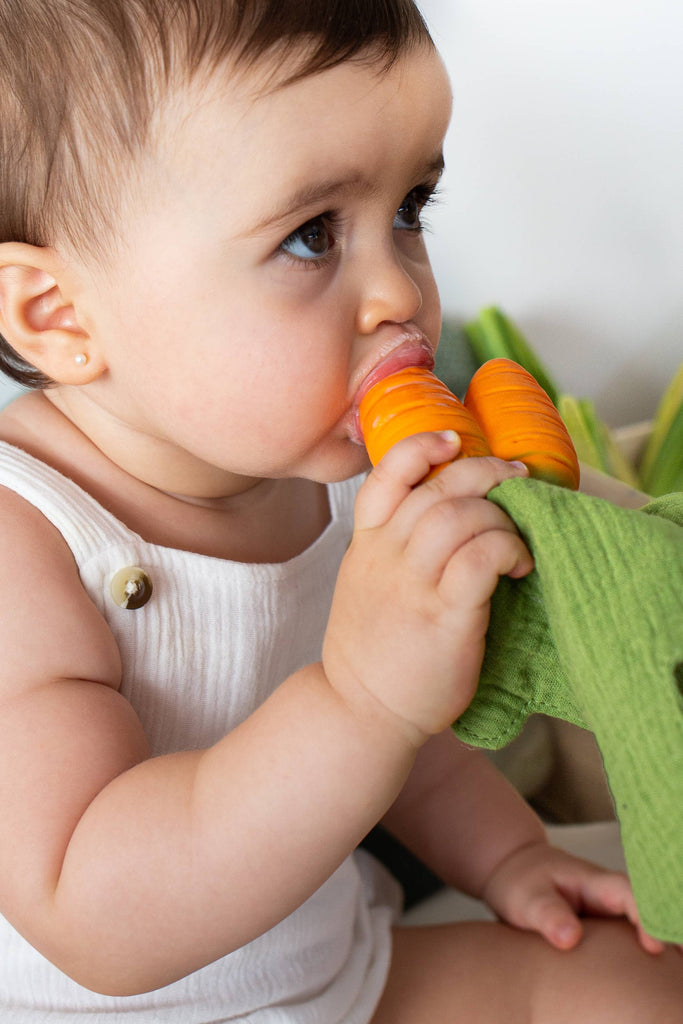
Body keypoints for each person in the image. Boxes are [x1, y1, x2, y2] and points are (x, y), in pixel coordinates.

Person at [0, 1, 680, 1021]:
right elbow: (92, 911)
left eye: (410, 209)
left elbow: (414, 744)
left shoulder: (323, 471)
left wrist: (508, 857)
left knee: (639, 985)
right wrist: (360, 700)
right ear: (62, 319)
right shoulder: (29, 543)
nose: (399, 294)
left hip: (338, 975)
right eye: (312, 235)